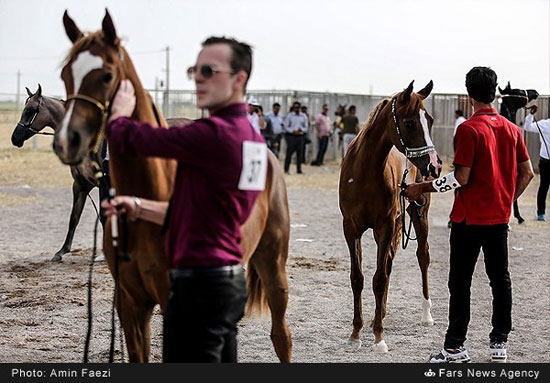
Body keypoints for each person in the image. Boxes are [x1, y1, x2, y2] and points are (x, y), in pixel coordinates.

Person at [102, 36, 267, 363]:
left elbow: (134, 138)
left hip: (198, 289)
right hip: (227, 282)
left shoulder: (213, 133)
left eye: (209, 70)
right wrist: (139, 206)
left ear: (239, 79)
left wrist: (119, 114)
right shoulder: (252, 138)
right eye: (195, 70)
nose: (198, 78)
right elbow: (207, 217)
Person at [403, 67, 534, 363]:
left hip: (468, 221)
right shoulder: (512, 129)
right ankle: (499, 343)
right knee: (500, 280)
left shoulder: (468, 129)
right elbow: (526, 173)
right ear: (495, 91)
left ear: (469, 94)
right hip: (498, 220)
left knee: (460, 283)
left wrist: (420, 186)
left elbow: (460, 178)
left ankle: (455, 347)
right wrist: (506, 199)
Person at [524, 105, 550, 221]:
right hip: (545, 161)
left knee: (544, 186)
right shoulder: (544, 124)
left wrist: (531, 115)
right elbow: (527, 127)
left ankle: (541, 213)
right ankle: (541, 213)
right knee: (544, 186)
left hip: (545, 160)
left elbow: (527, 126)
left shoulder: (544, 124)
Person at [283, 101, 308, 174]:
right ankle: (286, 169)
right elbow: (286, 126)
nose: (297, 109)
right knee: (289, 153)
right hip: (292, 136)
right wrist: (292, 131)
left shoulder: (303, 116)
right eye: (295, 107)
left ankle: (299, 170)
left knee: (300, 154)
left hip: (300, 136)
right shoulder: (289, 116)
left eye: (298, 107)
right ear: (293, 108)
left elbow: (306, 127)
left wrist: (301, 130)